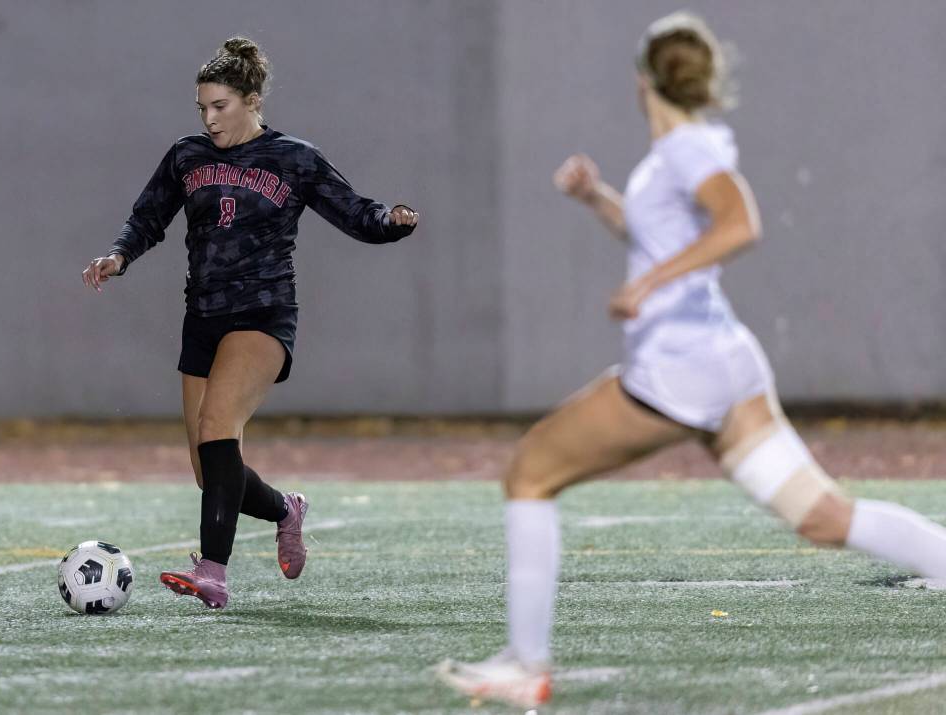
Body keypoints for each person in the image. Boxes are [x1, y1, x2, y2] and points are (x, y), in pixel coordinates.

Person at [437, 11, 946, 708]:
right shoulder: (679, 150)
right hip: (723, 364)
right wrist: (597, 198)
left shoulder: (685, 153)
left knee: (529, 472)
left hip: (681, 369)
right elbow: (656, 235)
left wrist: (647, 284)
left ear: (642, 79)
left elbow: (740, 223)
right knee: (823, 516)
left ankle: (526, 666)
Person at [82, 37, 418, 609]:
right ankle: (286, 509)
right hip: (203, 318)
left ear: (252, 100)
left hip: (264, 314)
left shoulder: (294, 158)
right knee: (208, 470)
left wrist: (393, 220)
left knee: (218, 426)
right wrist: (118, 255)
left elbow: (355, 212)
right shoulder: (186, 157)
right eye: (202, 108)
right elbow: (148, 217)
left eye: (221, 106)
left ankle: (212, 572)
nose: (210, 118)